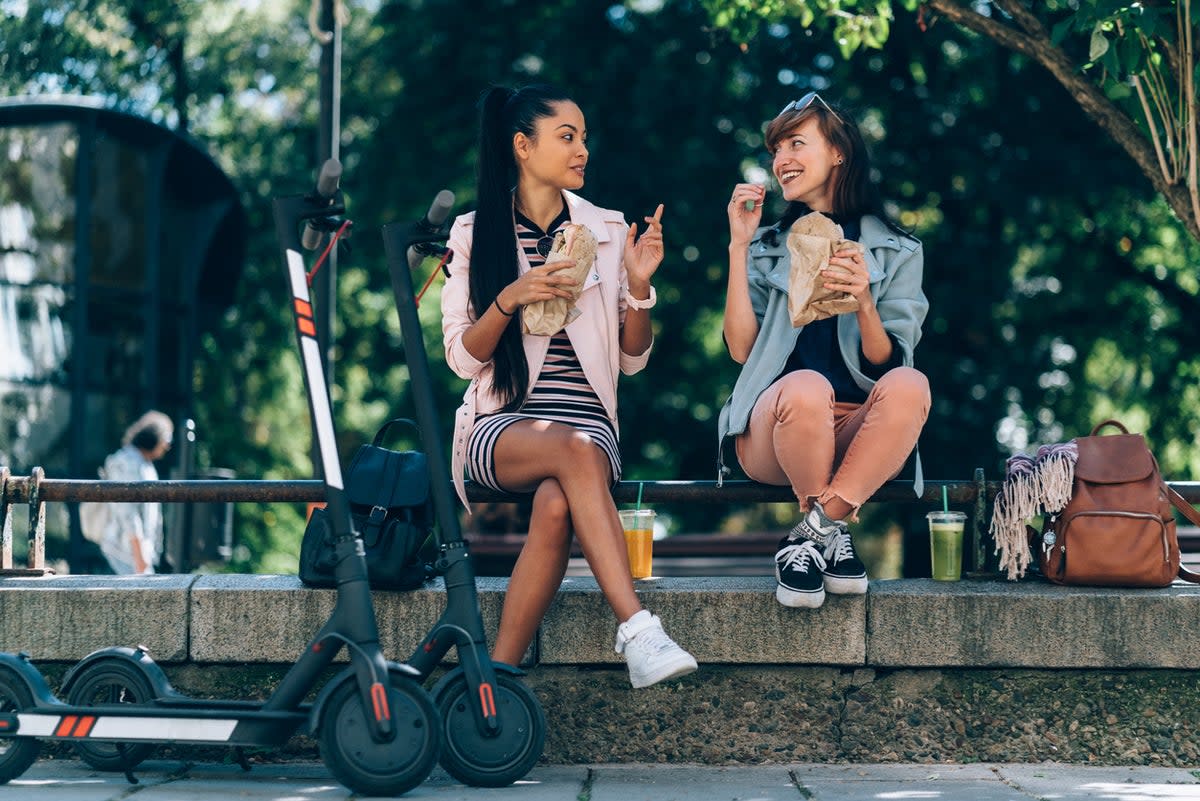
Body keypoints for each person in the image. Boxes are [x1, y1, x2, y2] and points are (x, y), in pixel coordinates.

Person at [441, 83, 697, 688]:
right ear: (522, 147)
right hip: (501, 425)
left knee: (559, 500)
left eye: (584, 137)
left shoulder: (606, 229)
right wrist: (511, 297)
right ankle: (637, 628)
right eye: (567, 136)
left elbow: (631, 361)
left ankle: (494, 686)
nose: (583, 149)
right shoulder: (474, 232)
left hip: (589, 422)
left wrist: (638, 286)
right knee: (571, 452)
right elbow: (460, 357)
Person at [718, 91, 931, 609]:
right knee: (807, 386)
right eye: (776, 149)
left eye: (796, 143)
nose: (781, 159)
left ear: (839, 152)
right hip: (775, 427)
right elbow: (742, 349)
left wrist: (863, 302)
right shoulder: (768, 243)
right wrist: (739, 245)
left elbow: (889, 361)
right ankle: (828, 535)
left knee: (912, 384)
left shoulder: (899, 249)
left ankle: (813, 537)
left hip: (859, 435)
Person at [89, 410, 174, 574]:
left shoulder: (145, 464)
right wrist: (140, 556)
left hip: (135, 557)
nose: (168, 445)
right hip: (121, 555)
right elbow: (127, 511)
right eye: (168, 438)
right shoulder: (126, 461)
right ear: (155, 436)